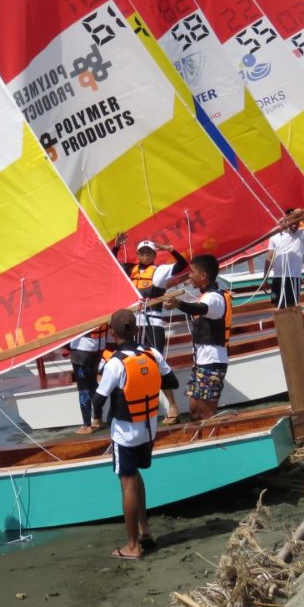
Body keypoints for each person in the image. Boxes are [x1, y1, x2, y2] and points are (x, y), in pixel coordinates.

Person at [93, 309, 178, 560]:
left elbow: (98, 400)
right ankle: (145, 530)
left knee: (127, 483)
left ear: (112, 333)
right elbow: (171, 382)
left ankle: (132, 546)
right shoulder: (152, 354)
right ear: (136, 329)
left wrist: (94, 419)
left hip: (125, 435)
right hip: (148, 430)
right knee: (136, 477)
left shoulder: (115, 363)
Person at [112, 233, 186, 424]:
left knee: (155, 364)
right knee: (135, 365)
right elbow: (111, 266)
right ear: (138, 254)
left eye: (149, 253)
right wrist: (117, 247)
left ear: (154, 255)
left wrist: (171, 250)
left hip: (153, 323)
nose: (145, 256)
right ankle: (142, 407)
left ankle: (173, 406)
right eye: (142, 253)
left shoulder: (159, 271)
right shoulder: (131, 270)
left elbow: (182, 265)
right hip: (135, 325)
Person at [165, 255, 231, 422]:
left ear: (203, 276)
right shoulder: (205, 295)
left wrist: (179, 304)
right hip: (202, 362)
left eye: (191, 272)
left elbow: (201, 309)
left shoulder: (214, 297)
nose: (189, 276)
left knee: (206, 414)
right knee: (194, 411)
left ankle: (214, 441)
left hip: (213, 360)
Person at [261, 209, 304, 307]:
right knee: (277, 305)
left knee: (292, 306)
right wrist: (265, 279)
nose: (294, 225)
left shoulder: (301, 235)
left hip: (292, 277)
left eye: (297, 222)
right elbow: (269, 258)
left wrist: (302, 216)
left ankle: (293, 322)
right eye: (292, 222)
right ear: (286, 221)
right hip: (277, 278)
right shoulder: (275, 237)